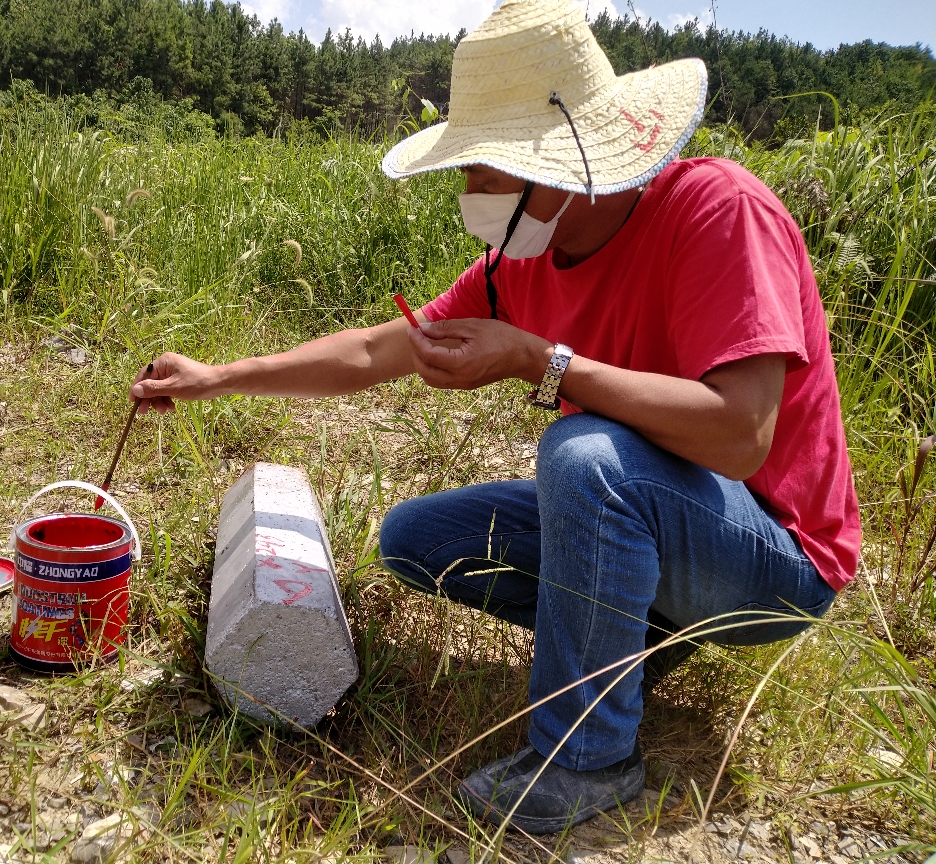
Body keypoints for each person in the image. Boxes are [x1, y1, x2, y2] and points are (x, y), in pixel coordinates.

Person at [129, 0, 861, 835]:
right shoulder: (525, 263)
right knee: (417, 540)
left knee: (584, 456)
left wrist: (538, 363)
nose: (470, 192)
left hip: (774, 559)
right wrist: (216, 377)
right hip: (672, 526)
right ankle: (639, 643)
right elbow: (377, 352)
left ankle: (587, 762)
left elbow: (741, 434)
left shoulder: (717, 211)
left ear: (557, 166)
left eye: (485, 169)